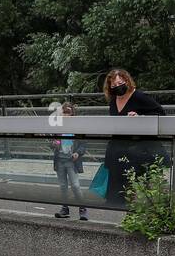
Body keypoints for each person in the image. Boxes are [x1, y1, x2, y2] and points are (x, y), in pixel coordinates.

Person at [101, 68, 167, 208]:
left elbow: (161, 113)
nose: (117, 87)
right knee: (118, 193)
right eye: (113, 85)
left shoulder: (139, 96)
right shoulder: (113, 101)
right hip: (119, 150)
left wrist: (140, 118)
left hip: (140, 150)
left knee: (140, 189)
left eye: (120, 83)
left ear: (126, 81)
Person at [51, 103, 88, 220]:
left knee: (75, 186)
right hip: (60, 160)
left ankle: (83, 209)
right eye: (64, 113)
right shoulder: (57, 127)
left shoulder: (77, 128)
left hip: (72, 161)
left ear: (72, 114)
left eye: (68, 113)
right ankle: (64, 208)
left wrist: (78, 153)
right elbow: (52, 142)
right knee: (63, 186)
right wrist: (54, 144)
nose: (66, 115)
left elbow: (83, 144)